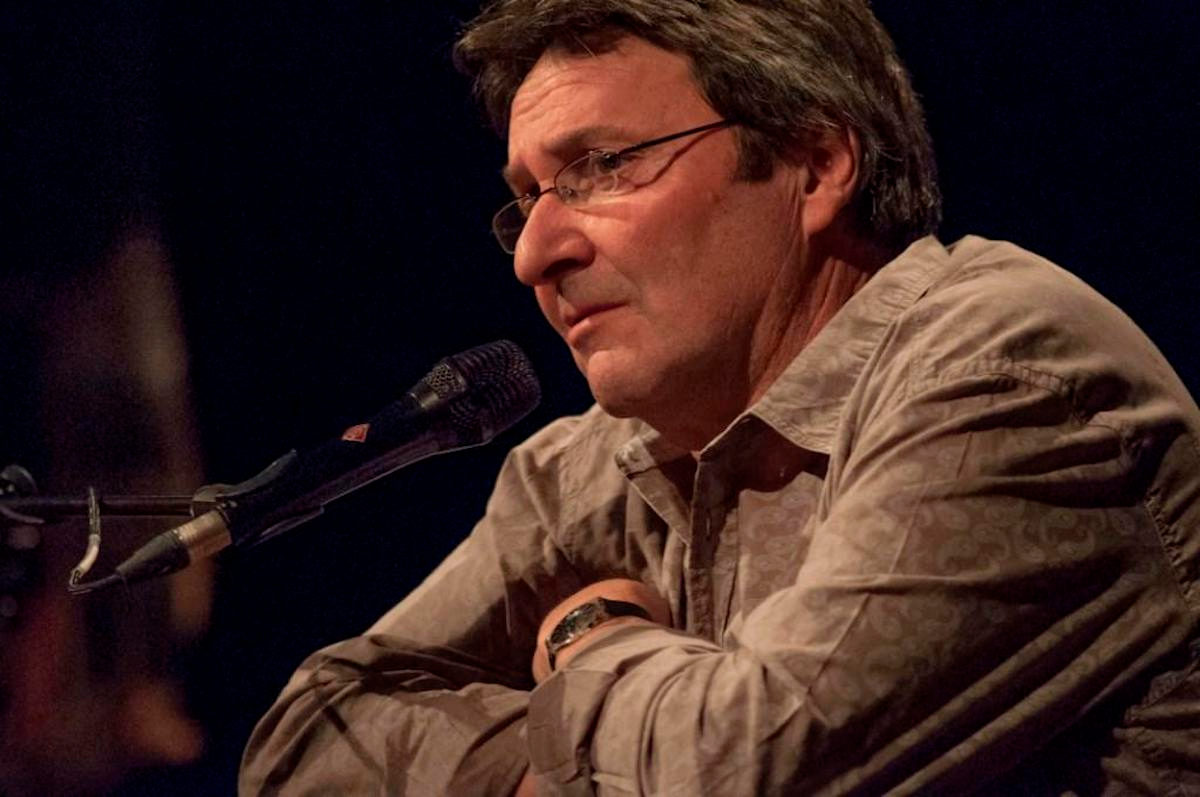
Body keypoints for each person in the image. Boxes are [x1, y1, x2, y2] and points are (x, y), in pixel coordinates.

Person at [239, 1, 1200, 794]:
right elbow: (307, 741)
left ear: (816, 164)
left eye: (602, 166)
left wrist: (591, 636)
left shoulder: (1010, 376)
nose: (535, 253)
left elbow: (743, 772)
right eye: (528, 197)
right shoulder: (589, 464)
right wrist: (549, 777)